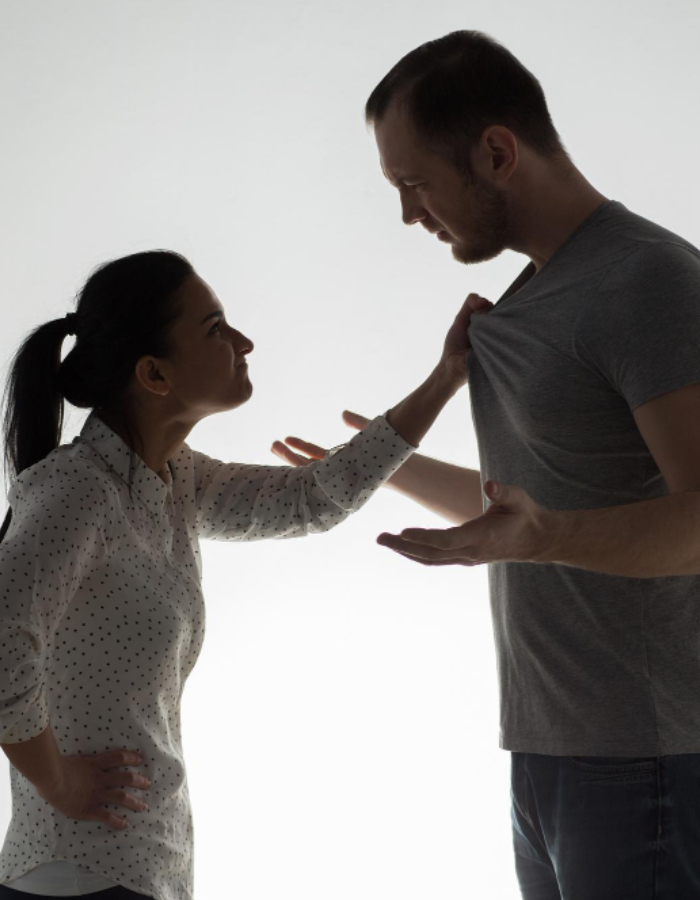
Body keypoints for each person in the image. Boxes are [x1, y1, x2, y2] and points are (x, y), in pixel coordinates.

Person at [276, 28, 700, 900]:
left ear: (497, 153)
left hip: (648, 758)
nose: (407, 214)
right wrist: (382, 467)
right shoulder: (536, 294)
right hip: (547, 754)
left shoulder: (647, 280)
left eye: (413, 184)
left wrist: (538, 540)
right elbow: (544, 500)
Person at [0, 245, 491, 899]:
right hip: (78, 876)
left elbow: (310, 499)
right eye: (214, 329)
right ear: (154, 374)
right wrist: (56, 779)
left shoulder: (174, 481)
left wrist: (445, 377)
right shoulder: (75, 488)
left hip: (149, 870)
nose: (244, 341)